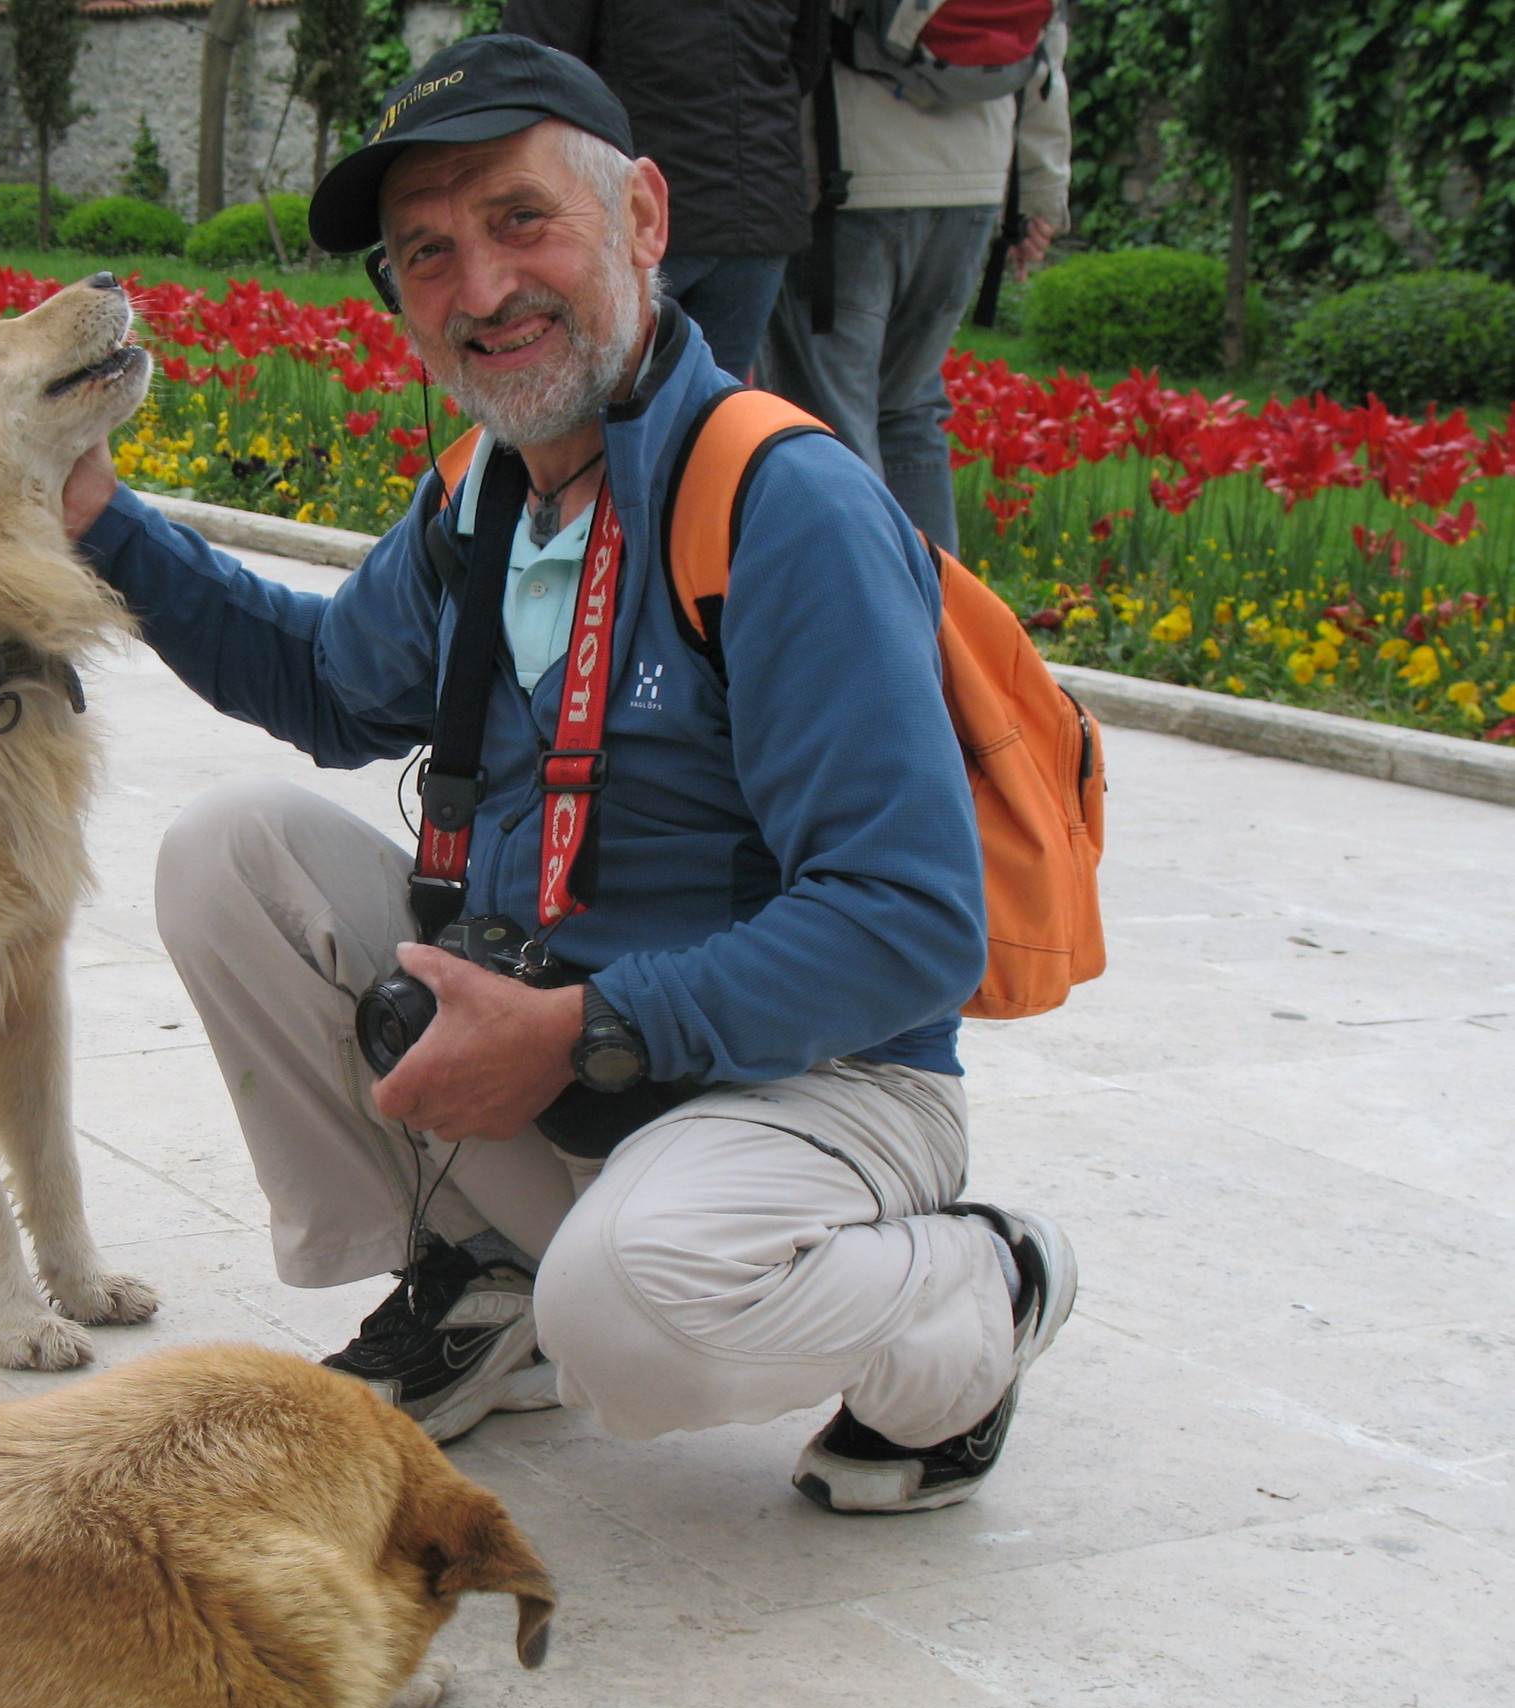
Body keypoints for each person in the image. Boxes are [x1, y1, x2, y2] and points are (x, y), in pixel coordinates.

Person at [64, 36, 1076, 1513]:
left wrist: (580, 1026)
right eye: (426, 253)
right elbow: (323, 687)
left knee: (633, 1320)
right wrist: (93, 510)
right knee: (229, 854)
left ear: (644, 220)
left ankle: (979, 1287)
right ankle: (482, 1275)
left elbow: (908, 922)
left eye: (519, 220)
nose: (479, 291)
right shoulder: (484, 495)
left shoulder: (776, 502)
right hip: (578, 1053)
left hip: (815, 1086)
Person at [759, 2, 1069, 550]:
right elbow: (1047, 46)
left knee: (826, 432)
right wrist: (1040, 194)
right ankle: (944, 625)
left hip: (848, 177)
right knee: (910, 408)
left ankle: (868, 622)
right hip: (972, 184)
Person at [500, 0, 825, 380]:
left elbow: (533, 68)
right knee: (712, 411)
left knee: (596, 406)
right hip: (753, 198)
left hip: (635, 206)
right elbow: (806, 60)